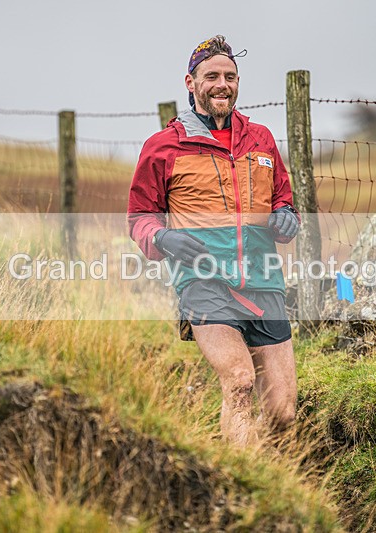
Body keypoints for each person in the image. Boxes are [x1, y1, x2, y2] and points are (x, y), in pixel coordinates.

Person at [127, 35, 300, 446]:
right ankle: (243, 476)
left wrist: (286, 217)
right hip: (203, 283)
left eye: (230, 77)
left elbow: (283, 201)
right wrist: (163, 238)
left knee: (282, 412)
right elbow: (140, 217)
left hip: (263, 280)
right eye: (212, 76)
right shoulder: (163, 147)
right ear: (191, 83)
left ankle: (263, 465)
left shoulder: (261, 139)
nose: (222, 84)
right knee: (239, 380)